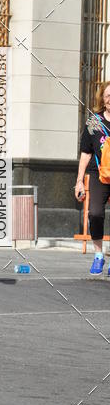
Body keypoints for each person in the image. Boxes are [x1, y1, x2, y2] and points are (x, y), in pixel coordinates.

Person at [76, 81, 110, 275]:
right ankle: (98, 255)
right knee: (95, 213)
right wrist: (79, 180)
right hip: (99, 174)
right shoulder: (94, 122)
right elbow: (86, 153)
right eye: (108, 96)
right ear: (102, 99)